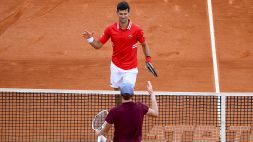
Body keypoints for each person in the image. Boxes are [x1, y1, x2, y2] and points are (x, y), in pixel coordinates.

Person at [82, 1, 152, 90]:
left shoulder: (136, 30)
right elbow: (98, 45)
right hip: (116, 66)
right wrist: (90, 39)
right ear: (117, 13)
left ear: (129, 13)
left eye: (125, 14)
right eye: (121, 14)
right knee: (117, 93)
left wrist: (148, 60)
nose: (123, 16)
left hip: (130, 68)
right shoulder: (110, 29)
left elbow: (144, 44)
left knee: (128, 93)